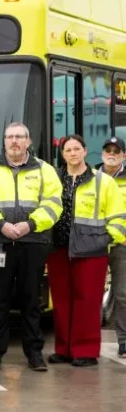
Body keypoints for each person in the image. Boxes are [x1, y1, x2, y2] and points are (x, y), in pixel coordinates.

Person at [0, 122, 62, 372]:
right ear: (4, 141)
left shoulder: (45, 170)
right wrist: (1, 225)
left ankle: (34, 354)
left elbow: (54, 205)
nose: (15, 141)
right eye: (10, 137)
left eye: (20, 137)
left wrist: (30, 224)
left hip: (33, 242)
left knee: (31, 300)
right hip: (0, 243)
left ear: (28, 142)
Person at [46, 135, 126, 367]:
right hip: (58, 249)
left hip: (92, 251)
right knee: (61, 301)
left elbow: (119, 216)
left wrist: (106, 240)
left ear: (85, 152)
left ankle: (86, 351)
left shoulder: (103, 181)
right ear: (63, 154)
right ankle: (64, 349)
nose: (72, 153)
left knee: (87, 301)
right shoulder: (54, 179)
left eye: (77, 149)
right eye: (68, 150)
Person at [98, 137, 126, 357]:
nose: (112, 154)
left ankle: (124, 341)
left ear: (123, 155)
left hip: (121, 245)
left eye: (116, 151)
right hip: (94, 244)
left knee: (122, 294)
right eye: (108, 150)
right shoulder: (90, 177)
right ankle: (87, 342)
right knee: (89, 295)